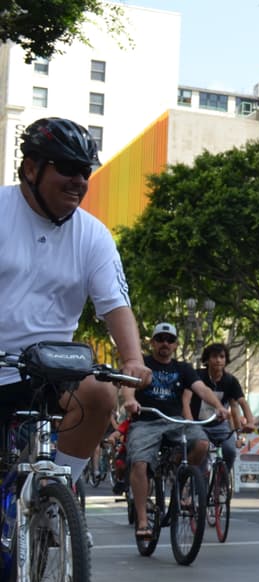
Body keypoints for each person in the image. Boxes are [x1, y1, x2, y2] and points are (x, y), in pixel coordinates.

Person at [0, 117, 151, 485]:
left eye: (85, 172)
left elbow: (116, 304)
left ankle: (57, 491)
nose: (79, 181)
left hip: (53, 372)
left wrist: (133, 359)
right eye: (67, 169)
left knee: (100, 392)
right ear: (31, 169)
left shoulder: (94, 235)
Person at [122, 324, 228, 540]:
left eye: (169, 340)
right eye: (160, 339)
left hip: (175, 422)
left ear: (175, 345)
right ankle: (143, 520)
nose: (165, 343)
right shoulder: (142, 363)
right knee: (140, 463)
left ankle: (180, 480)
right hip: (146, 421)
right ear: (152, 342)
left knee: (202, 444)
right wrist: (130, 400)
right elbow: (128, 383)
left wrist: (219, 406)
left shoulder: (184, 368)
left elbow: (202, 389)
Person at [190, 342, 253, 471]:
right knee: (201, 457)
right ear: (207, 359)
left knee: (230, 451)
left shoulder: (230, 381)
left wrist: (250, 422)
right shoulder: (197, 376)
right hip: (197, 424)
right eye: (214, 356)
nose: (218, 360)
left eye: (222, 356)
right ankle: (200, 488)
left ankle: (222, 482)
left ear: (226, 360)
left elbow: (240, 403)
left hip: (219, 425)